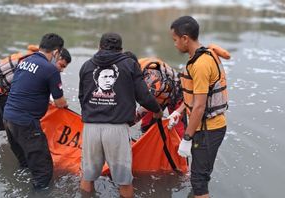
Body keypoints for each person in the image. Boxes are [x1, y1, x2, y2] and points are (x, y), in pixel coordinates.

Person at [78, 32, 163, 198]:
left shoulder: (87, 66)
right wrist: (158, 111)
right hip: (116, 129)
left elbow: (83, 97)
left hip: (90, 128)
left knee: (87, 176)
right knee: (124, 180)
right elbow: (144, 96)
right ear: (121, 49)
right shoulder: (129, 64)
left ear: (99, 47)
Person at [169, 16, 228, 197]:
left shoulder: (201, 64)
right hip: (202, 127)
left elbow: (200, 106)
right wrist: (178, 112)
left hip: (208, 130)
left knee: (199, 181)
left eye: (175, 40)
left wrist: (186, 138)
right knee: (198, 176)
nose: (175, 44)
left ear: (185, 38)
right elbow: (195, 97)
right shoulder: (200, 56)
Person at [3, 33, 68, 189]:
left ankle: (17, 189)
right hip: (26, 123)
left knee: (25, 164)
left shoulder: (25, 61)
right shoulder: (51, 70)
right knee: (43, 173)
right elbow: (60, 102)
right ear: (56, 52)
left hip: (8, 118)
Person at [0, 47, 71, 131]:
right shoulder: (37, 64)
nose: (62, 70)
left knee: (13, 128)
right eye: (61, 65)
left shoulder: (37, 59)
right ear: (56, 56)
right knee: (9, 128)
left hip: (5, 91)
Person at [123, 51, 185, 137]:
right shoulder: (134, 66)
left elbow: (147, 101)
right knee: (146, 127)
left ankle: (179, 148)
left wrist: (124, 124)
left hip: (176, 94)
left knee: (178, 129)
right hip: (158, 95)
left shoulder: (152, 75)